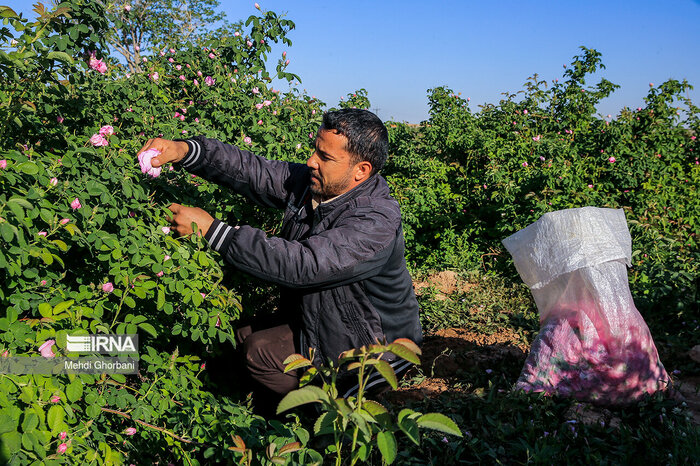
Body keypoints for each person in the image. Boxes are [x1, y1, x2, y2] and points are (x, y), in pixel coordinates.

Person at [138, 108, 422, 408]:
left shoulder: (375, 221)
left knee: (256, 352)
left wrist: (212, 231)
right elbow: (252, 170)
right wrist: (186, 151)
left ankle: (323, 413)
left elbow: (304, 265)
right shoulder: (316, 184)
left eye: (325, 157)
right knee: (234, 335)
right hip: (322, 315)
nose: (312, 161)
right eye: (315, 150)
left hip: (370, 344)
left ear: (361, 171)